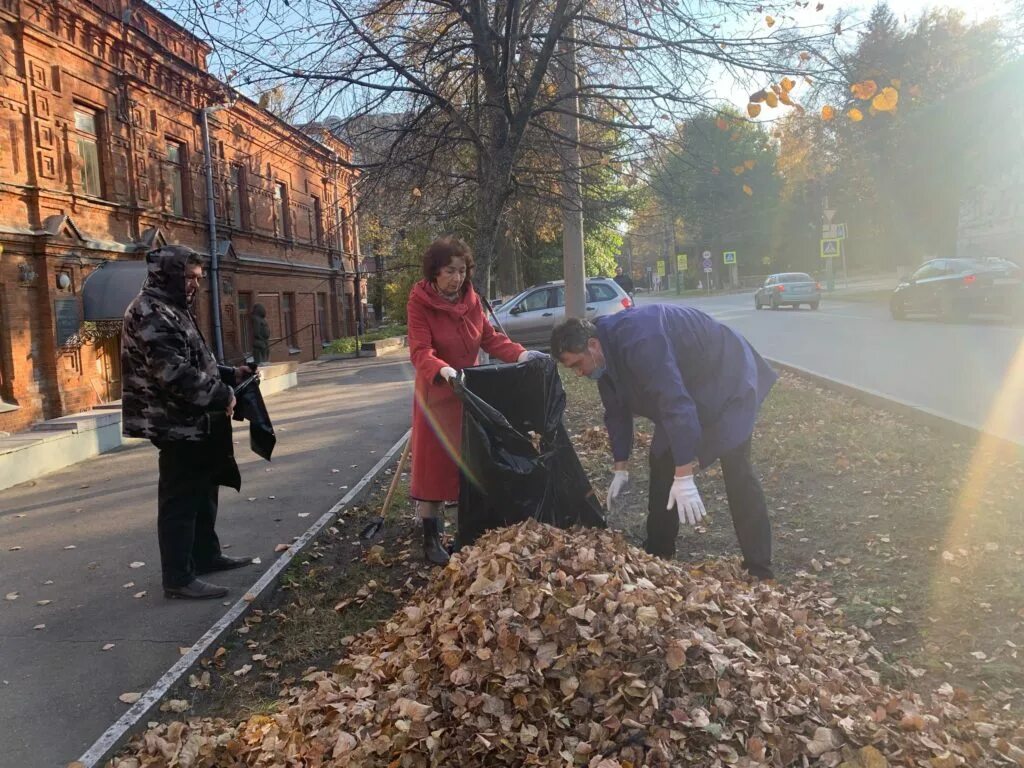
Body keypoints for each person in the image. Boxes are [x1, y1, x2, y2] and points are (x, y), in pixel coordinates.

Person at [550, 305, 777, 579]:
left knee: (736, 467)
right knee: (660, 461)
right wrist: (620, 467)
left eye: (577, 364)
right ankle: (659, 550)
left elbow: (674, 403)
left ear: (592, 345)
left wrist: (684, 475)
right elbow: (616, 410)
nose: (579, 373)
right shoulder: (604, 352)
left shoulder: (641, 340)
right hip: (688, 382)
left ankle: (759, 567)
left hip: (725, 376)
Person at [122, 245, 254, 600]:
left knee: (204, 489)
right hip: (173, 422)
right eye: (190, 278)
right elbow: (174, 374)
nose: (195, 285)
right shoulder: (150, 311)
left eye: (198, 278)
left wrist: (230, 373)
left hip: (196, 420)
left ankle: (205, 556)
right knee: (180, 498)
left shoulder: (173, 307)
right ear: (170, 275)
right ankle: (178, 577)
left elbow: (197, 360)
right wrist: (222, 394)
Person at [407, 236, 545, 564]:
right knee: (434, 470)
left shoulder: (472, 301)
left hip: (470, 393)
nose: (457, 277)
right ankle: (430, 540)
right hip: (438, 393)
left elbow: (490, 338)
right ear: (435, 272)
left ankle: (465, 533)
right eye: (450, 271)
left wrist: (521, 354)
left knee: (468, 466)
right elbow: (419, 350)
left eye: (462, 270)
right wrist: (444, 371)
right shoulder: (420, 302)